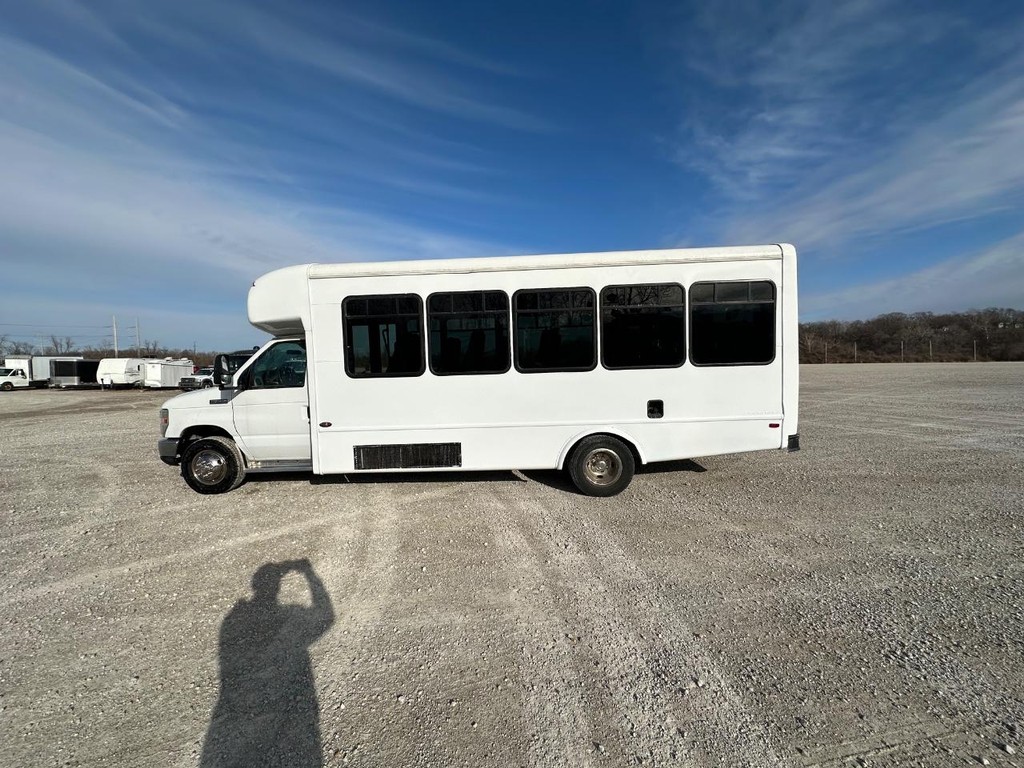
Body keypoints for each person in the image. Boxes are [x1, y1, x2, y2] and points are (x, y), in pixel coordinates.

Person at [200, 559, 334, 768]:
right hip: (282, 713)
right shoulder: (279, 616)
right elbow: (326, 617)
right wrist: (309, 573)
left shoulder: (234, 618)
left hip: (240, 713)